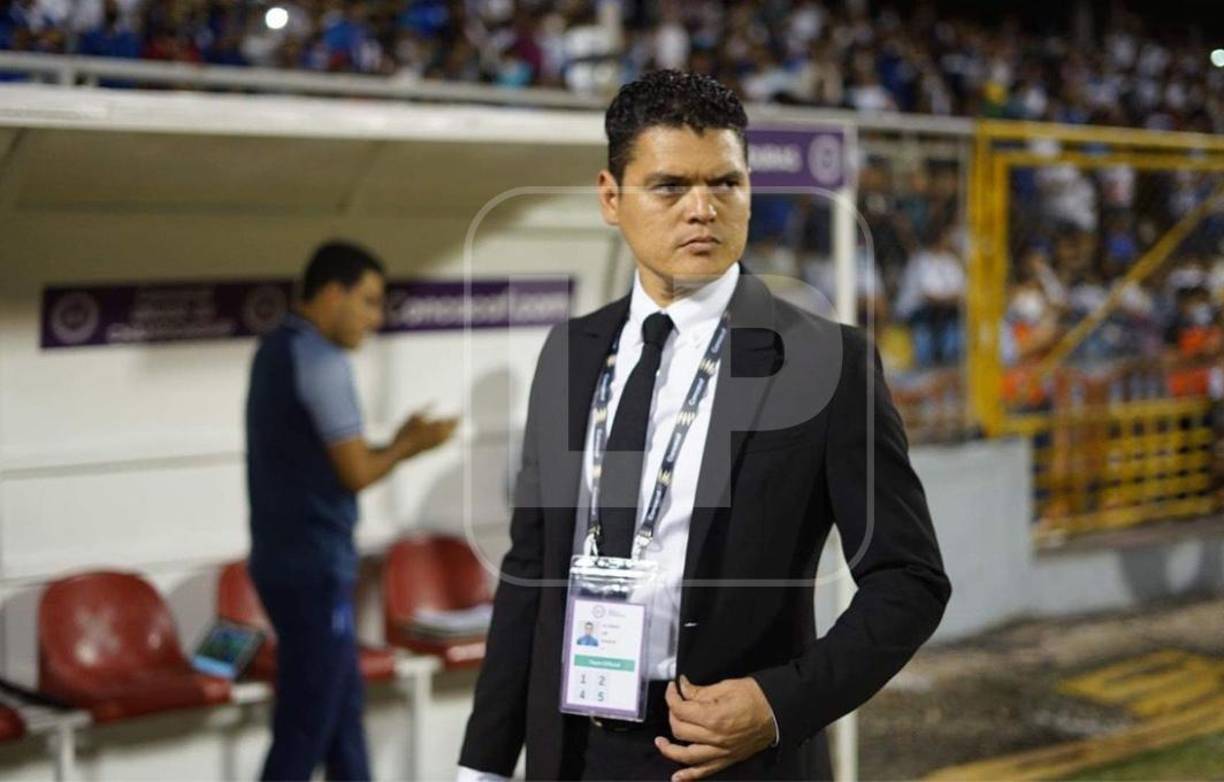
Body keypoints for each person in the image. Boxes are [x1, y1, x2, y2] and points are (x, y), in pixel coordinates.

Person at [457, 70, 950, 782]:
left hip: (735, 757)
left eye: (726, 184)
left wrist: (781, 703)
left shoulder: (824, 361)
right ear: (610, 197)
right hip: (575, 752)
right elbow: (531, 571)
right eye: (669, 187)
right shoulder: (570, 354)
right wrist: (484, 764)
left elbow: (910, 579)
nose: (703, 210)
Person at [245, 240, 457, 781]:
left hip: (281, 560)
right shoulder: (322, 360)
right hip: (314, 568)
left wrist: (399, 441)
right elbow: (356, 472)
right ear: (333, 293)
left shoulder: (276, 350)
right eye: (366, 301)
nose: (373, 318)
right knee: (306, 725)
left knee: (343, 716)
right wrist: (413, 444)